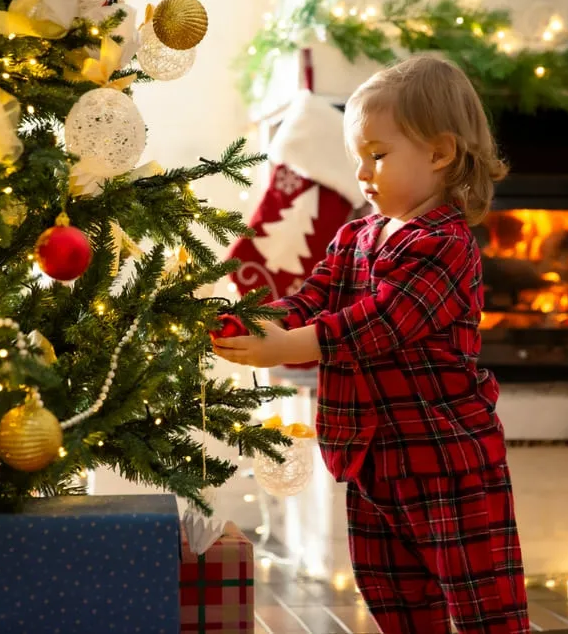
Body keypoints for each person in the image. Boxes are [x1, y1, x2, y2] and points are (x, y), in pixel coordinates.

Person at [213, 55, 529, 634]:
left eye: (377, 156)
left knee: (486, 608)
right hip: (370, 460)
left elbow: (378, 324)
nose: (362, 173)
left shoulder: (445, 244)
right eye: (357, 158)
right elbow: (310, 300)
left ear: (439, 153)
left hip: (445, 461)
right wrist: (248, 321)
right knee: (395, 599)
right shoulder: (355, 235)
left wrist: (287, 349)